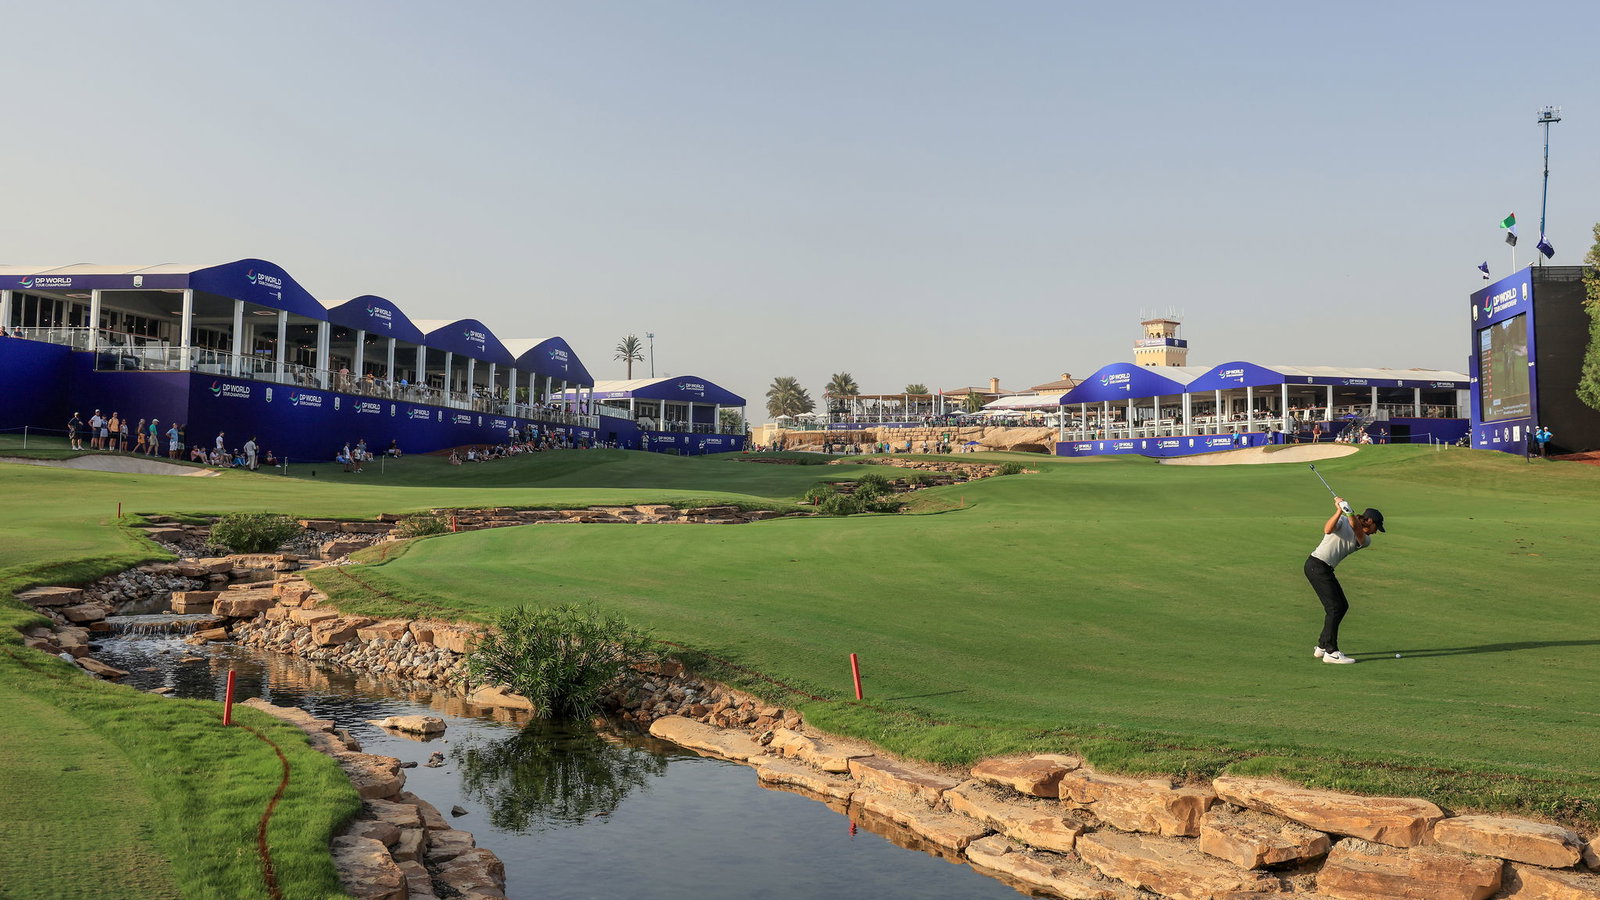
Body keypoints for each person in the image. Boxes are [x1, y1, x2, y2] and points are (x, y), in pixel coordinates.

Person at [1305, 497, 1385, 665]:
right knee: (1335, 608)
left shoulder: (1365, 540)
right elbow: (1327, 529)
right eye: (1376, 527)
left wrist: (1349, 512)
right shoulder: (1342, 519)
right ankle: (1331, 651)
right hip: (1316, 565)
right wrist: (1339, 511)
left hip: (1324, 569)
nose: (1376, 532)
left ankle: (1322, 645)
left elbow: (1356, 529)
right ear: (1370, 521)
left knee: (1341, 606)